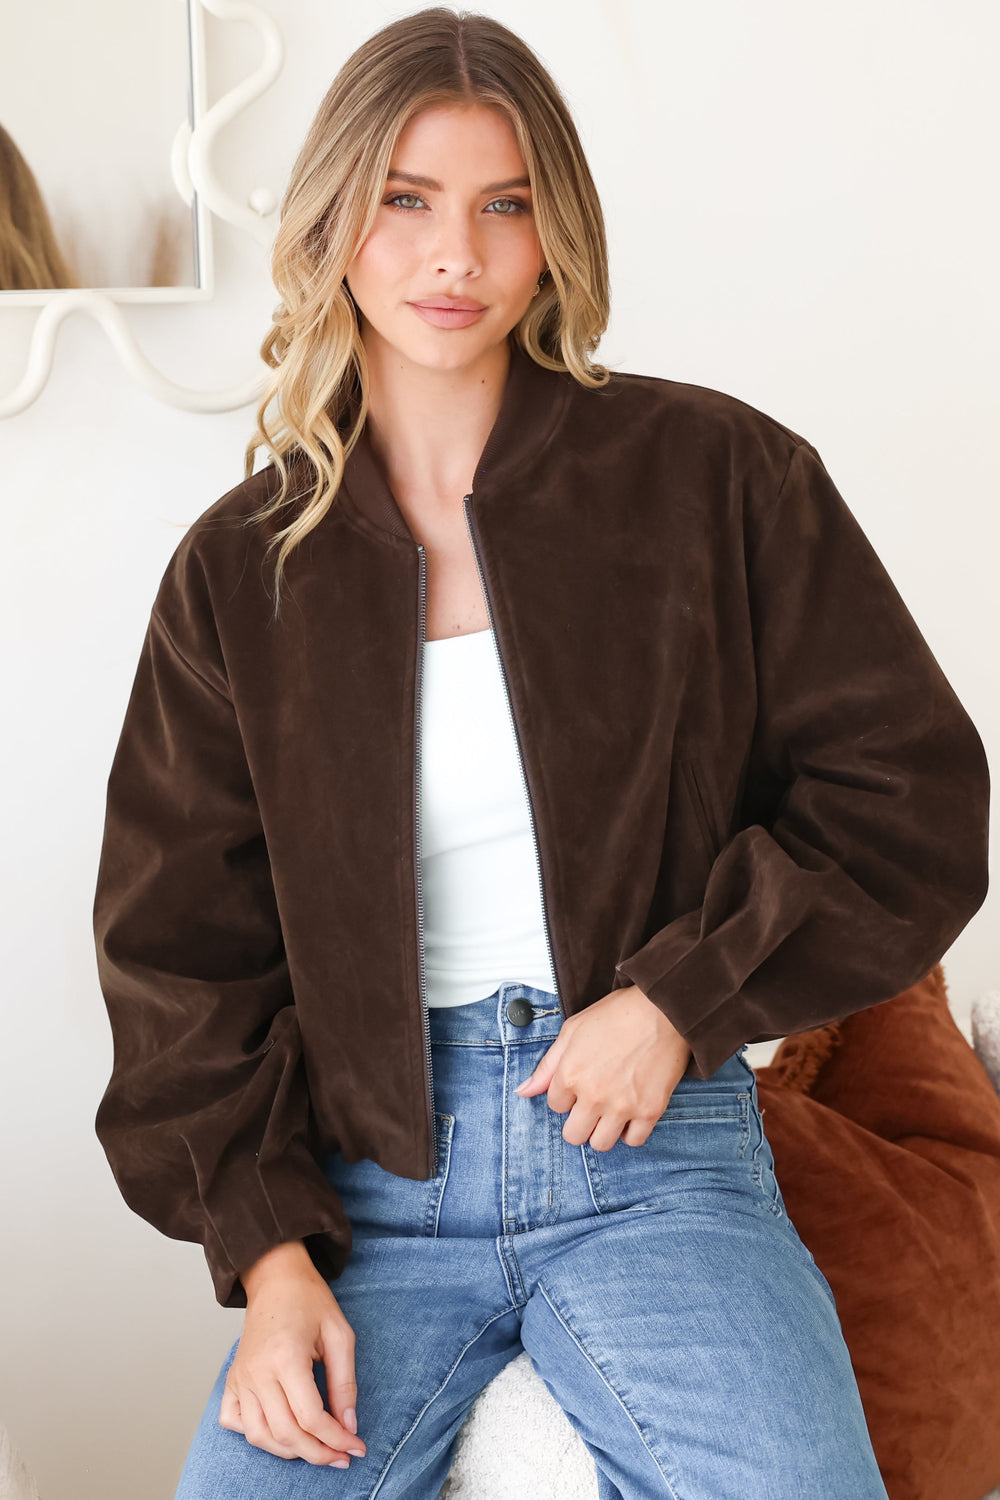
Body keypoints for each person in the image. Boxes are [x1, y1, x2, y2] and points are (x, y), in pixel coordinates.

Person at [91, 9, 990, 1499]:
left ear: (555, 231)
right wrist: (269, 1260)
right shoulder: (242, 572)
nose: (455, 256)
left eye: (503, 205)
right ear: (333, 222)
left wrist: (679, 997)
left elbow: (911, 794)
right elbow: (180, 957)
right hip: (368, 1186)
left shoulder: (718, 479)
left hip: (657, 1155)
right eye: (407, 200)